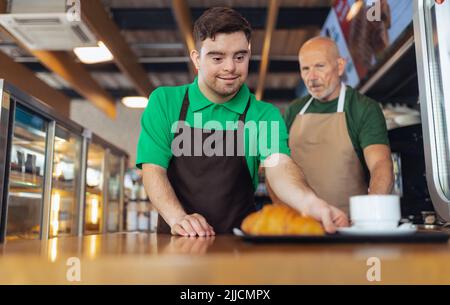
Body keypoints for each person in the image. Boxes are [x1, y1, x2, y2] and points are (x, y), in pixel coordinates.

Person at [136, 8, 348, 237]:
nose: (230, 67)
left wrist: (309, 203)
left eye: (240, 57)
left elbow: (280, 166)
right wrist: (178, 218)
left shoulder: (262, 114)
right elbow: (153, 171)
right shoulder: (165, 102)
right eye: (217, 58)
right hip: (176, 246)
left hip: (238, 247)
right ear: (197, 59)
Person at [279, 36, 393, 214]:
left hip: (348, 225)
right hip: (298, 226)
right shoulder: (294, 110)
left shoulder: (362, 108)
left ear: (340, 66)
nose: (312, 77)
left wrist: (372, 211)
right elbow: (277, 166)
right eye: (305, 69)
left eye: (320, 66)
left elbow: (380, 164)